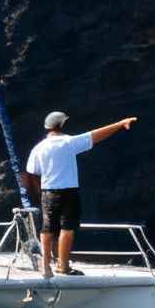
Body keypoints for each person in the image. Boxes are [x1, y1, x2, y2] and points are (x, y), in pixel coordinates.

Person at [20, 110, 136, 275]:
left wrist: (41, 191)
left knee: (47, 228)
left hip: (48, 193)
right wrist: (119, 123)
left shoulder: (38, 148)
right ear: (62, 124)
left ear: (47, 127)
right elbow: (97, 135)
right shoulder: (69, 142)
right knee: (67, 228)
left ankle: (45, 266)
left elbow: (32, 172)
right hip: (69, 192)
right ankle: (63, 266)